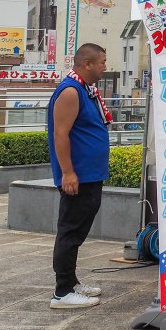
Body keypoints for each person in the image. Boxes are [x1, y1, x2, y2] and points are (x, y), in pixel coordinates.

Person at [47, 44, 111, 309]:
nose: (105, 67)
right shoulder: (71, 92)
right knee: (70, 230)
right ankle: (62, 291)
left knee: (78, 228)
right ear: (87, 63)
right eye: (102, 62)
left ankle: (71, 281)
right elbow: (60, 134)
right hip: (78, 176)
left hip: (90, 174)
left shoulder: (85, 90)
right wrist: (68, 172)